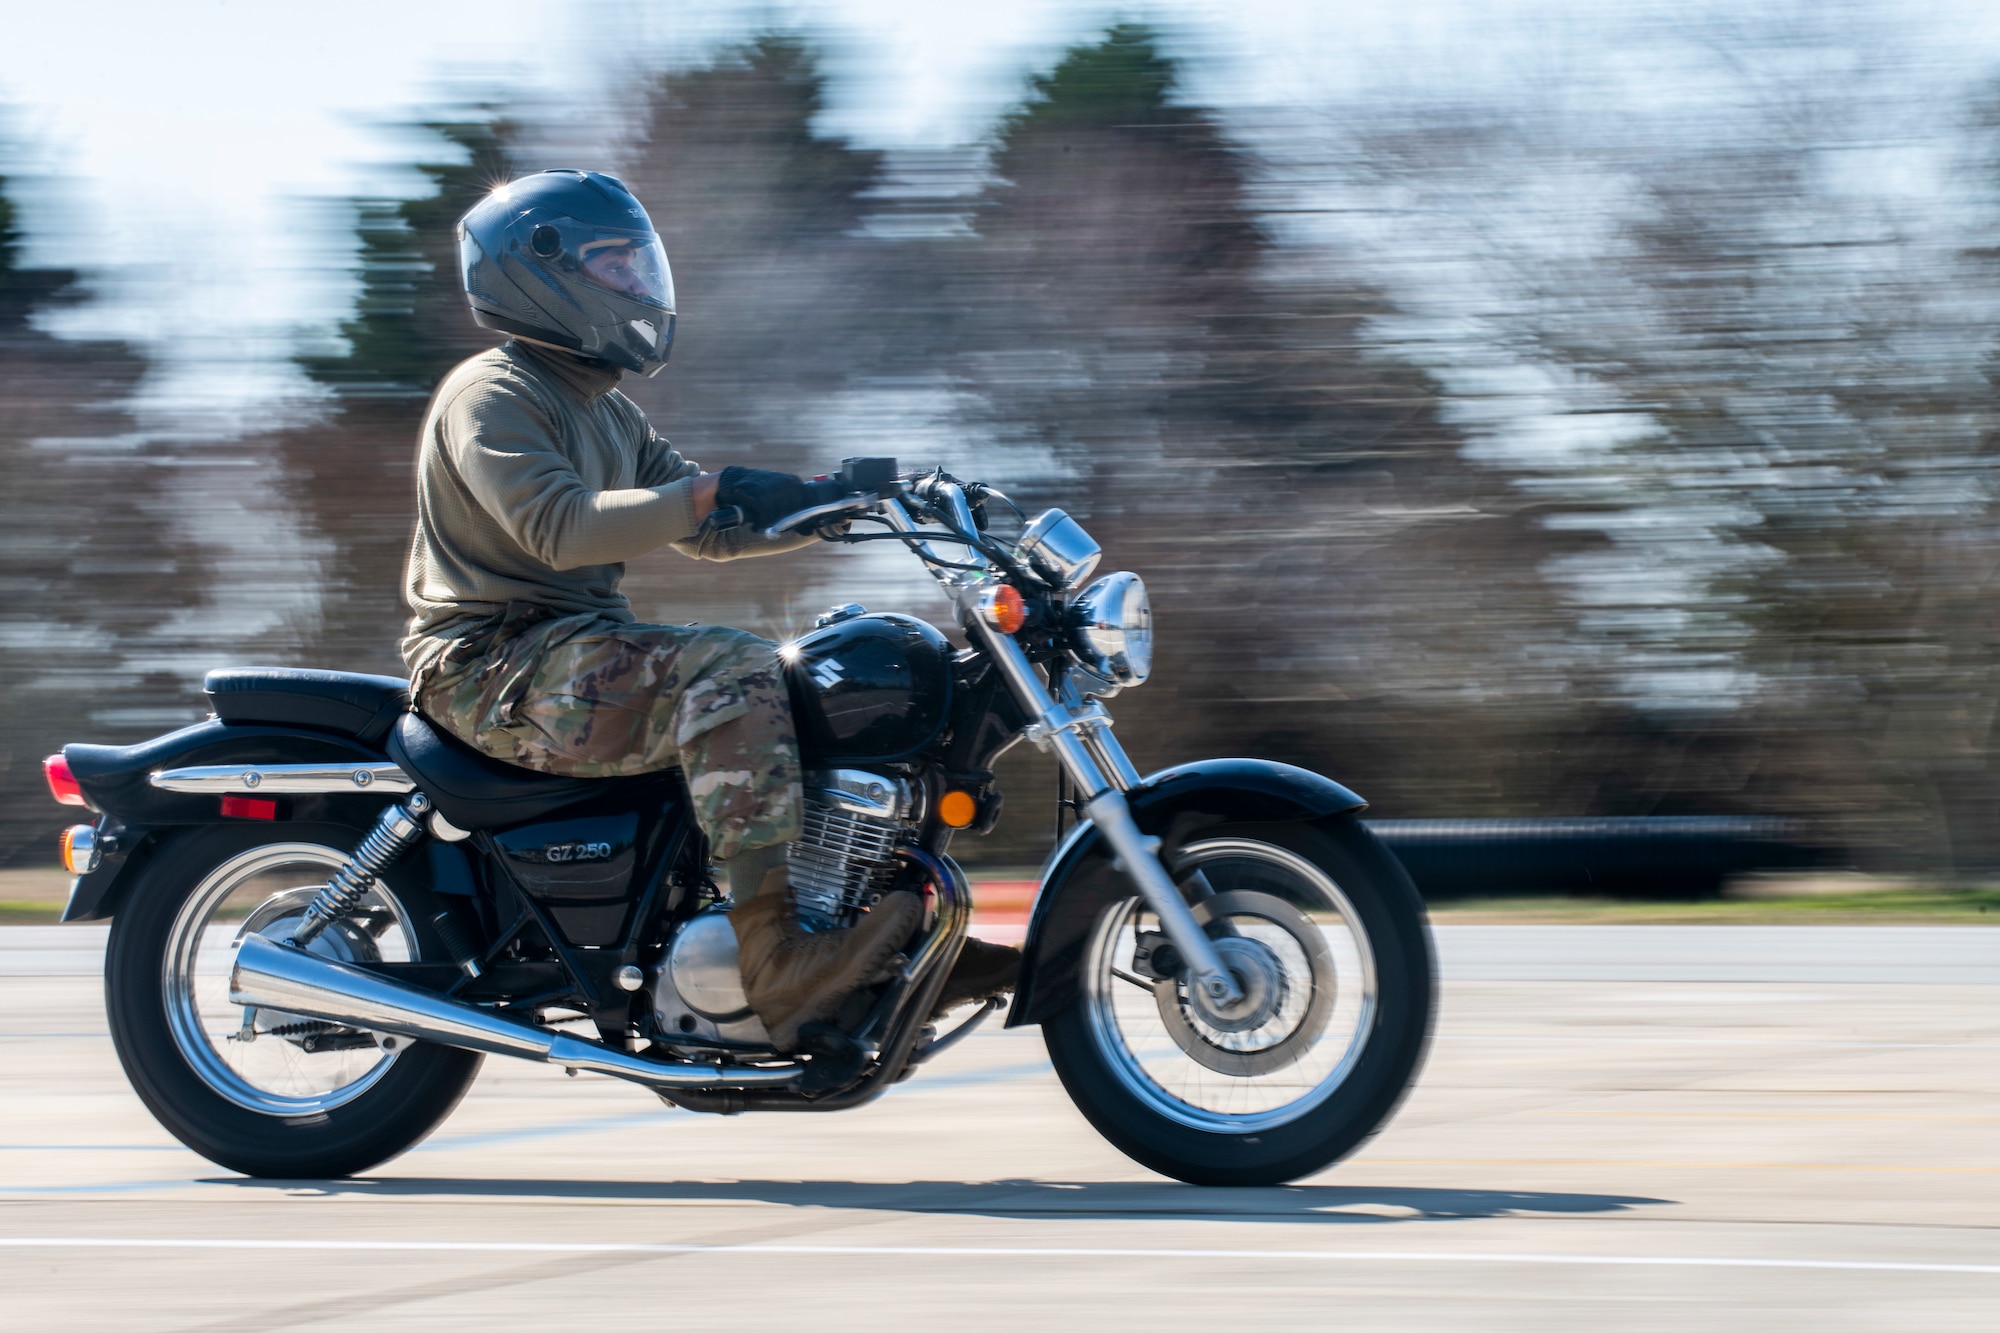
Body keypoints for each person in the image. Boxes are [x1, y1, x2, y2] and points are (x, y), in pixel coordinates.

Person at [400, 168, 1016, 1051]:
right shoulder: (491, 394)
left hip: (570, 653)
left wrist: (830, 501)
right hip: (492, 664)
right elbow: (559, 527)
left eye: (638, 266)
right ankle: (777, 962)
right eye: (615, 267)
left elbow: (710, 528)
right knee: (733, 668)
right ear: (542, 273)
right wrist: (706, 494)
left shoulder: (607, 411)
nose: (639, 286)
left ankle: (870, 928)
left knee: (821, 678)